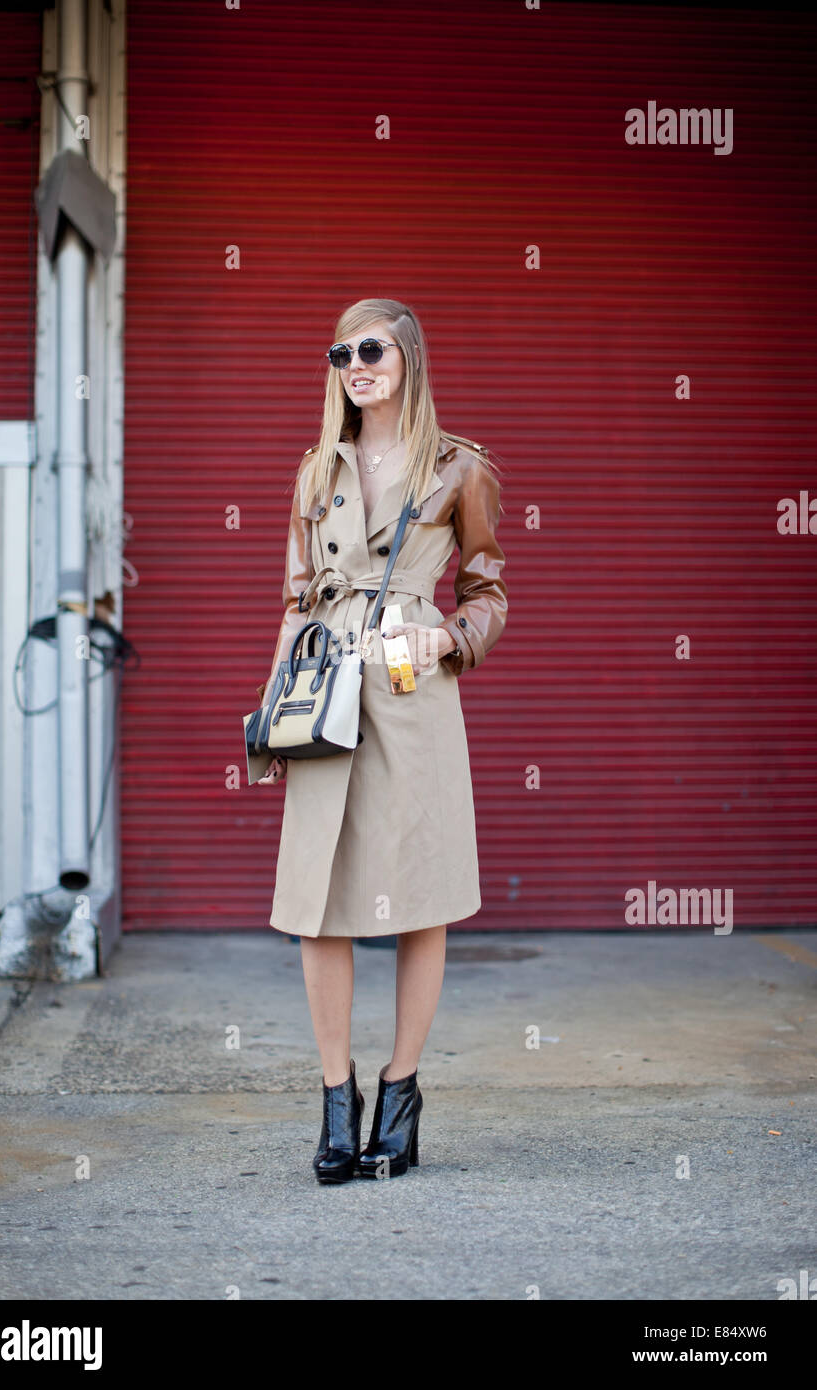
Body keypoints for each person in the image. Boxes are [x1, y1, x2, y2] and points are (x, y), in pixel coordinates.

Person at [250, 297, 507, 1182]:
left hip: (410, 691)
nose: (356, 364)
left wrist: (449, 637)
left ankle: (401, 1093)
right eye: (341, 352)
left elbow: (488, 592)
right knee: (316, 901)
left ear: (407, 360)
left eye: (373, 349)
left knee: (419, 895)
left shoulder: (459, 467)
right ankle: (335, 1103)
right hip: (324, 692)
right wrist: (273, 709)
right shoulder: (315, 472)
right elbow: (295, 602)